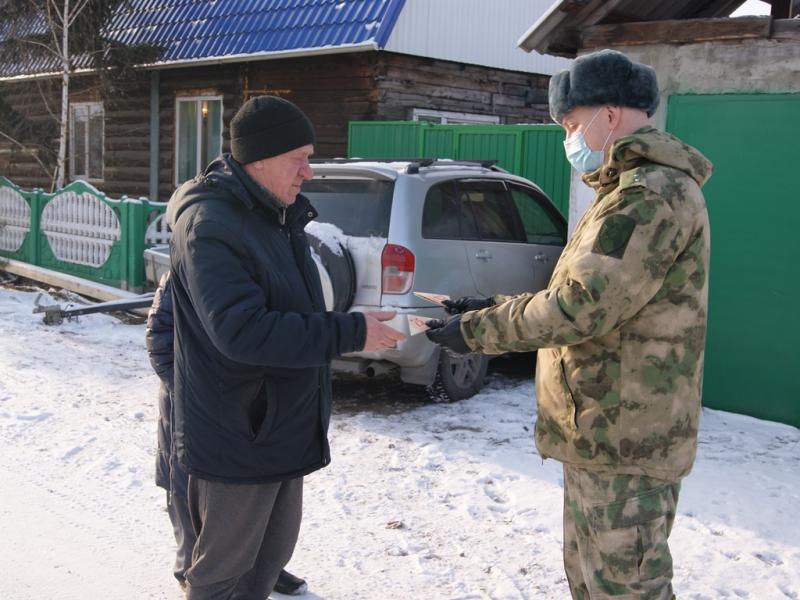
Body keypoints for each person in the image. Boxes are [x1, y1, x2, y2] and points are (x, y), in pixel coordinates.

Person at [426, 49, 712, 599]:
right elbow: (580, 296)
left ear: (610, 115)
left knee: (625, 588)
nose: (569, 139)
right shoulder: (624, 192)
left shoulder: (648, 196)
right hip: (602, 432)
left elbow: (580, 308)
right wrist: (478, 307)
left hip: (624, 442)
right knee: (591, 583)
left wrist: (475, 332)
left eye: (573, 124)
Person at [166, 95, 405, 600]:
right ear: (258, 159)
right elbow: (242, 331)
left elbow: (292, 310)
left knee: (266, 564)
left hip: (279, 426)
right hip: (238, 432)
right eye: (299, 157)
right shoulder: (212, 225)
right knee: (221, 576)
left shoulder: (276, 216)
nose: (309, 172)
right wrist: (352, 332)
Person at [145, 271, 309, 596]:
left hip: (243, 411)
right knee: (188, 498)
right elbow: (160, 341)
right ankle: (191, 575)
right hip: (194, 408)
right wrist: (198, 394)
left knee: (254, 505)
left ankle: (264, 568)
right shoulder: (188, 268)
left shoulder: (261, 266)